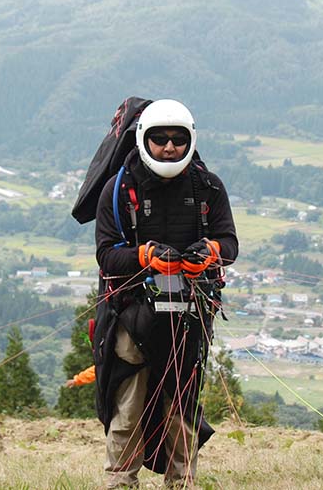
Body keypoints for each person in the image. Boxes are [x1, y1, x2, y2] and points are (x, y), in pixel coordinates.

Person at [93, 99, 238, 488]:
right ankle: (120, 481)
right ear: (144, 139)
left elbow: (229, 242)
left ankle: (182, 481)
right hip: (131, 313)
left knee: (180, 405)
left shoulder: (209, 188)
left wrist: (209, 252)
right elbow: (107, 255)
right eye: (160, 139)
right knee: (129, 403)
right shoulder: (119, 189)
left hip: (189, 312)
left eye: (178, 139)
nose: (170, 147)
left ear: (191, 140)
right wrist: (145, 257)